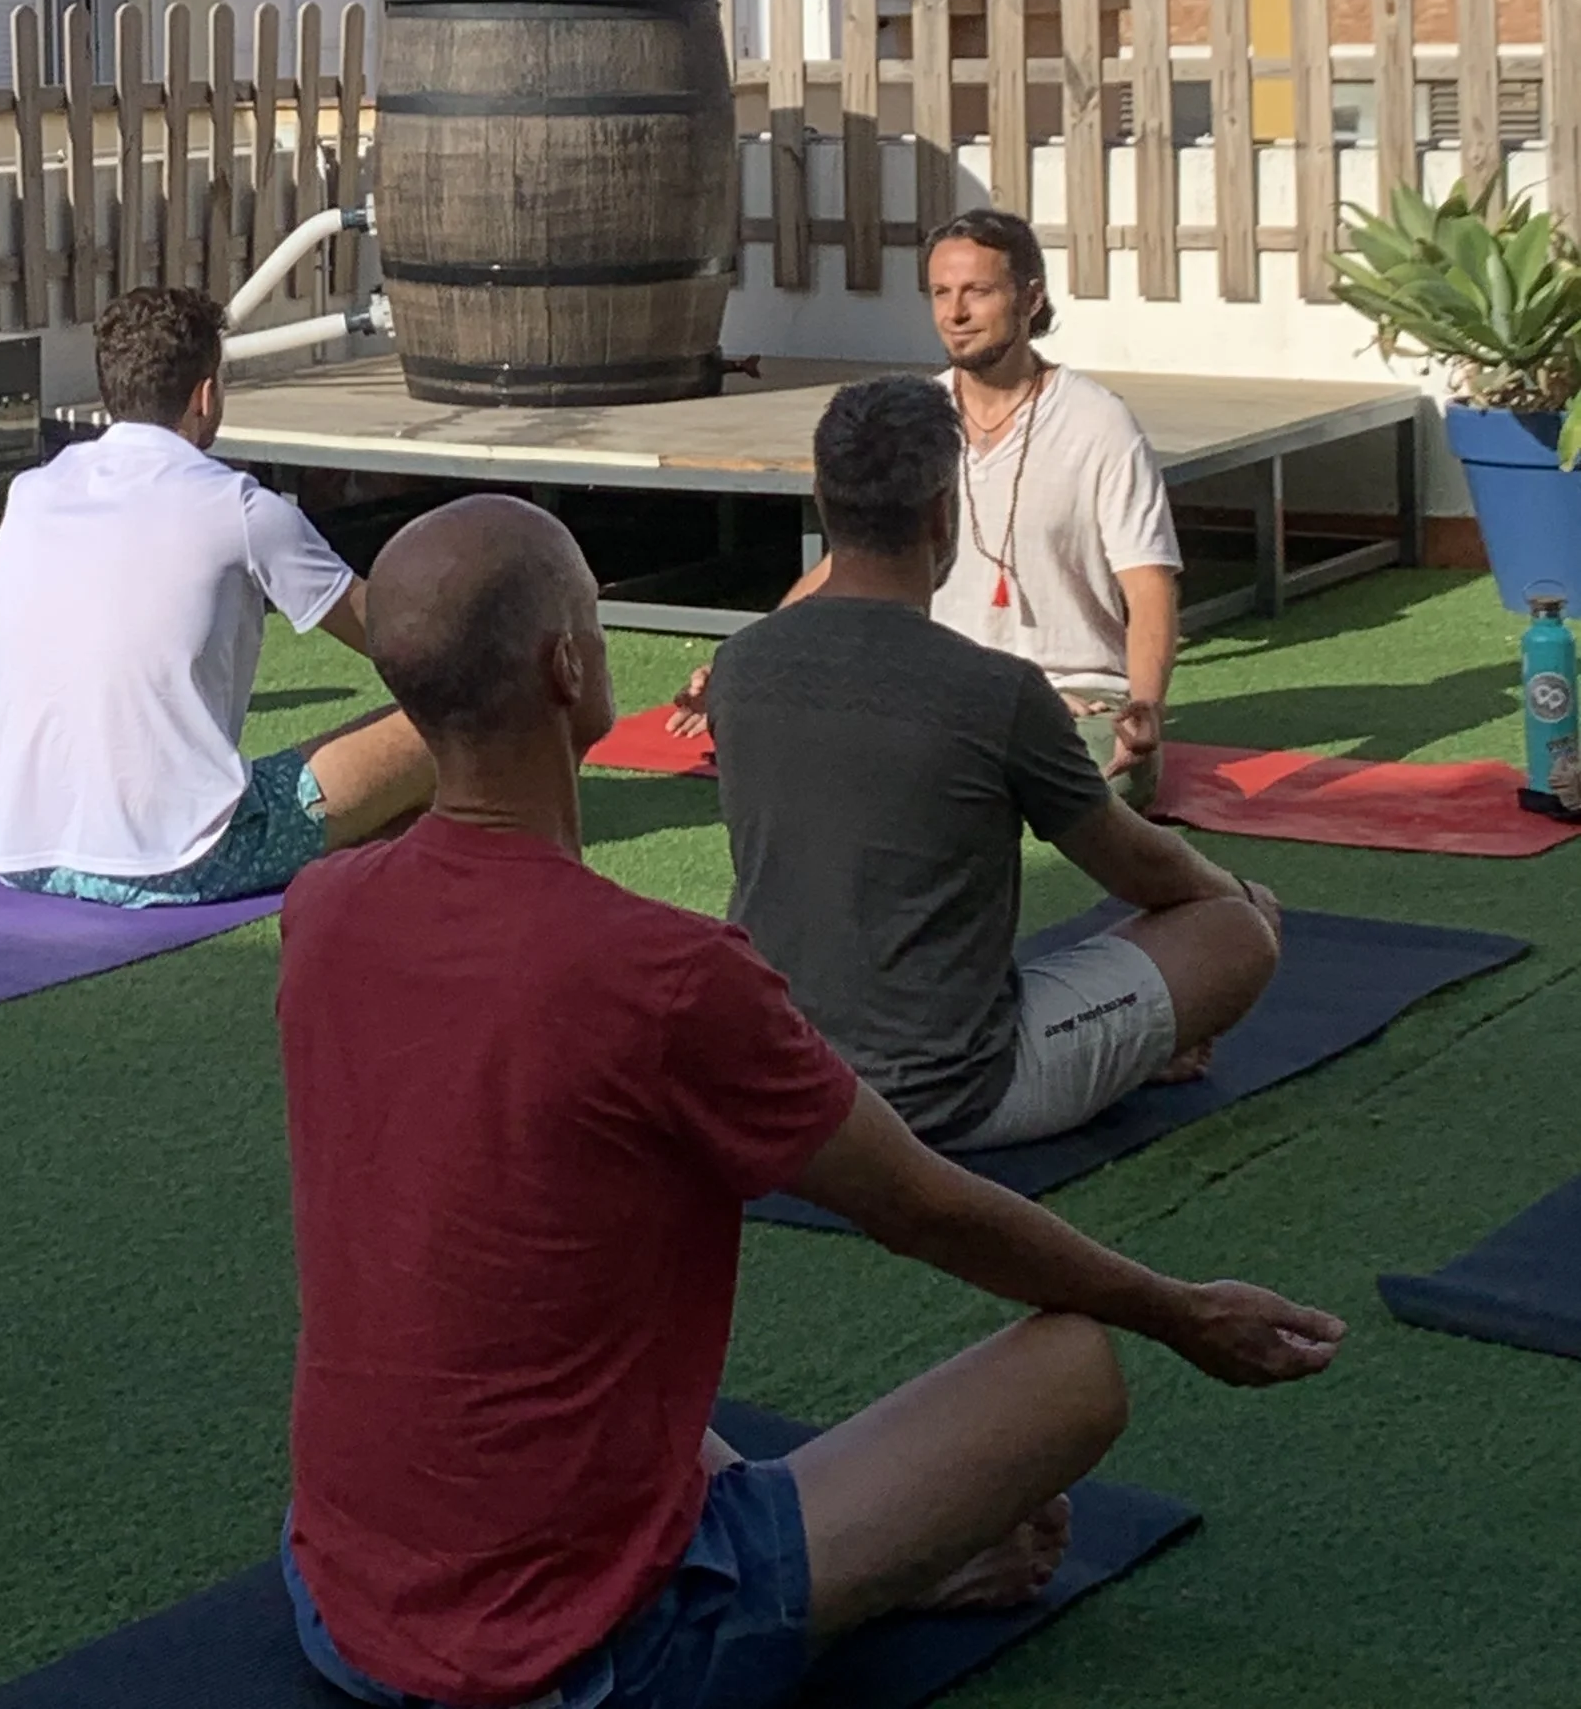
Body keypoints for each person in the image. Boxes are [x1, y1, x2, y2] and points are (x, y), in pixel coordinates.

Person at [276, 493, 1339, 1709]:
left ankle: (866, 1559)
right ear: (568, 666)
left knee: (576, 1363)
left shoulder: (325, 911)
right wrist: (1178, 1311)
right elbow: (926, 1207)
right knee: (1072, 1368)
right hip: (585, 1661)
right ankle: (870, 1578)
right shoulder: (665, 977)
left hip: (343, 1604)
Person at [705, 378, 1280, 1154]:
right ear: (946, 510)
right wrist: (1241, 901)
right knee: (1236, 931)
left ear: (822, 495)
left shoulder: (741, 667)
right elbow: (1143, 868)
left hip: (777, 1073)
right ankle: (1150, 1035)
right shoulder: (997, 690)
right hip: (951, 1091)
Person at [673, 208, 1181, 808]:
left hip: (1076, 693)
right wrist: (742, 667)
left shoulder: (1100, 424)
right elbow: (848, 564)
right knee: (788, 729)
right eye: (941, 293)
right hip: (936, 682)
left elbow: (1150, 588)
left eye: (978, 292)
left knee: (1110, 780)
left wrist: (1145, 705)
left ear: (1031, 298)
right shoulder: (913, 417)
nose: (955, 314)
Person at [0, 286, 433, 903]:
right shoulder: (240, 508)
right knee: (452, 723)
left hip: (13, 851)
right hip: (181, 859)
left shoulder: (30, 493)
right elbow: (399, 644)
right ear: (206, 395)